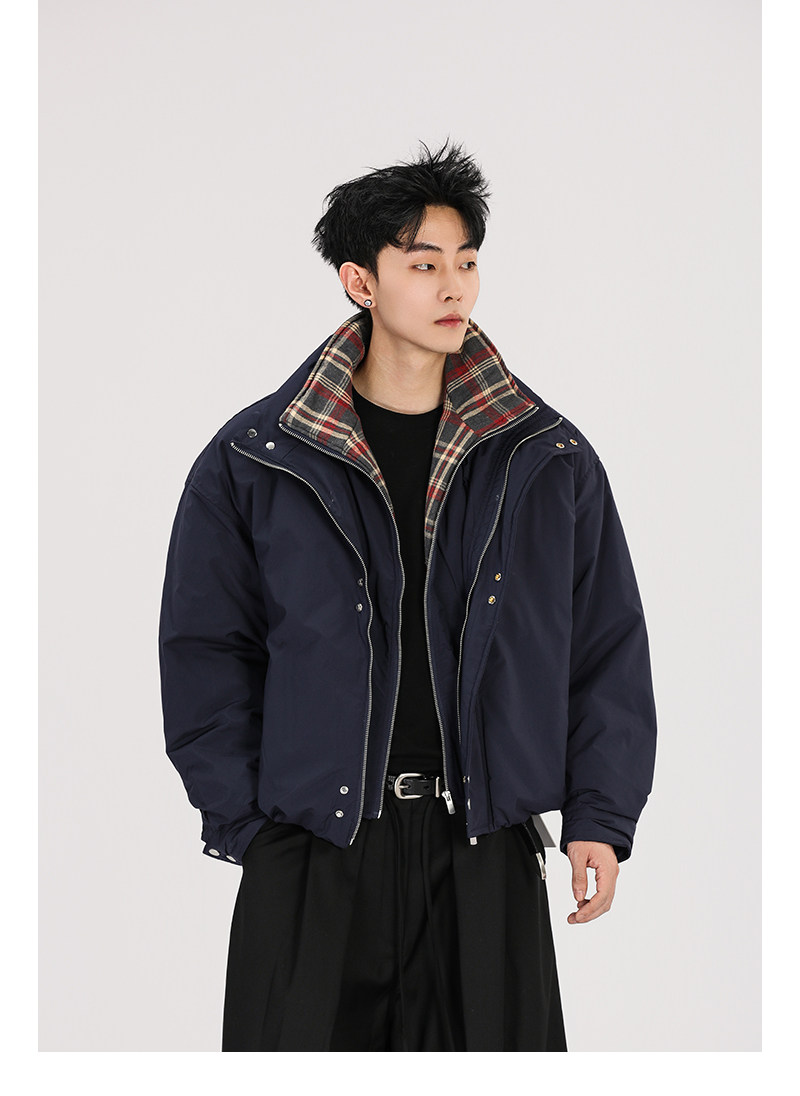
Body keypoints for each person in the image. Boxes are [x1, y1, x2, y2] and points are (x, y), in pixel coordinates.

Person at [158, 138, 658, 1052]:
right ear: (360, 281)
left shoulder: (545, 459)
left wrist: (599, 814)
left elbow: (605, 645)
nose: (453, 287)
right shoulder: (256, 459)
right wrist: (251, 827)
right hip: (313, 850)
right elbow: (205, 650)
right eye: (424, 265)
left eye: (467, 262)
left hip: (484, 849)